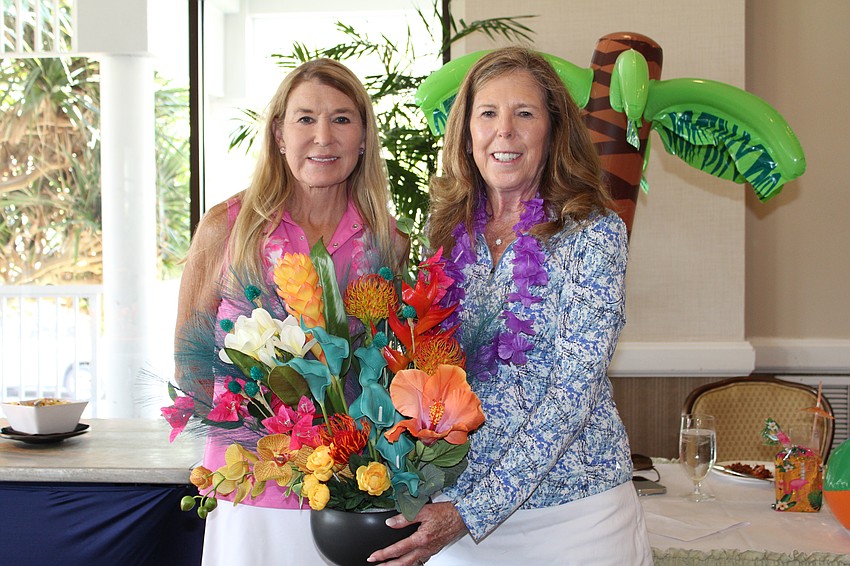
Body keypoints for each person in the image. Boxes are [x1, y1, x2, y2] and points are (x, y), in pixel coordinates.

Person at [368, 47, 652, 565]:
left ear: (554, 129)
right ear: (467, 132)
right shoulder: (448, 235)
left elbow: (573, 393)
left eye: (524, 113)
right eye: (488, 114)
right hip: (456, 515)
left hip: (574, 519)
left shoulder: (594, 234)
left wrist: (471, 512)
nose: (505, 131)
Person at [175, 58, 406, 565]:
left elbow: (389, 368)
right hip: (251, 485)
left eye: (342, 119)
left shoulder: (388, 241)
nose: (323, 137)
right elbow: (189, 361)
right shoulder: (228, 229)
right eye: (305, 119)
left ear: (363, 136)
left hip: (350, 489)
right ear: (279, 134)